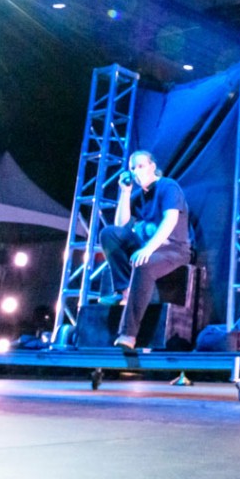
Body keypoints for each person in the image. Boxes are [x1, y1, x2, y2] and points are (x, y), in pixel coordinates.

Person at [98, 150, 192, 350]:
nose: (136, 171)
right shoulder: (139, 195)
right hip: (149, 246)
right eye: (132, 168)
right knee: (109, 233)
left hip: (174, 249)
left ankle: (128, 335)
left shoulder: (168, 186)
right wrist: (125, 193)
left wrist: (148, 249)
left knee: (144, 262)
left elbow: (170, 220)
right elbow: (120, 225)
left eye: (140, 166)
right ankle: (124, 290)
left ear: (152, 167)